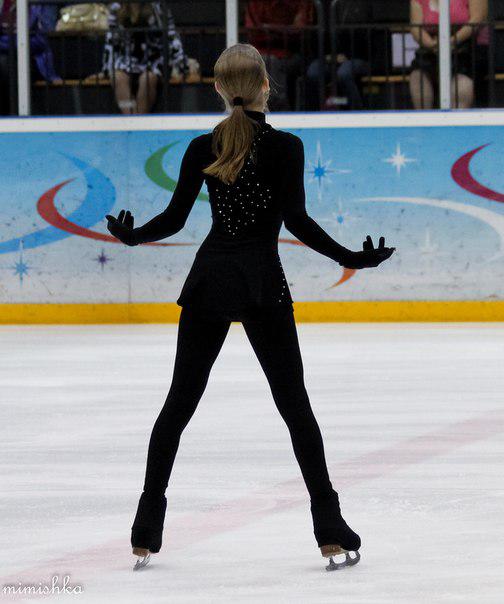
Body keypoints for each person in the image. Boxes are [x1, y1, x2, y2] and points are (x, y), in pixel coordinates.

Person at [106, 43, 395, 571]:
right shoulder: (286, 147)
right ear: (266, 84)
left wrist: (132, 236)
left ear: (218, 88)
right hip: (262, 281)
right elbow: (298, 222)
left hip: (210, 280)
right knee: (295, 408)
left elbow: (173, 220)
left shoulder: (204, 145)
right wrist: (351, 258)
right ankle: (329, 527)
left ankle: (145, 528)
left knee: (178, 405)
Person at [101, 1, 188, 114]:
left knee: (147, 79)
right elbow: (110, 42)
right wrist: (106, 69)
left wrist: (181, 64)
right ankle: (131, 118)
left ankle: (139, 120)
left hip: (154, 60)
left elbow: (172, 38)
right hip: (126, 60)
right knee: (118, 77)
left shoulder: (159, 8)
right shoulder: (116, 8)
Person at [409, 0, 488, 109]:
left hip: (465, 51)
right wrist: (432, 44)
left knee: (462, 88)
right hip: (430, 51)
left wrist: (450, 41)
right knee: (417, 78)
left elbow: (477, 19)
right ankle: (424, 118)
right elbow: (415, 27)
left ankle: (457, 119)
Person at [244, 0, 313, 111]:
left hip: (293, 54)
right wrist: (283, 31)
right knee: (261, 61)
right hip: (261, 54)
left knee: (271, 61)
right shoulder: (256, 3)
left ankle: (277, 107)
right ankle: (258, 106)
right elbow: (254, 32)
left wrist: (269, 30)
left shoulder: (301, 3)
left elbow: (299, 30)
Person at [305, 0, 371, 111]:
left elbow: (364, 38)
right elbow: (316, 37)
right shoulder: (324, 6)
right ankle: (315, 113)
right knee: (313, 71)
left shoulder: (359, 6)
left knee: (344, 73)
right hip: (329, 58)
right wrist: (329, 57)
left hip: (357, 57)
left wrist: (346, 56)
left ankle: (357, 111)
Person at [0, 0, 62, 114]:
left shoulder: (40, 5)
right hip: (5, 54)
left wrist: (7, 43)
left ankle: (9, 117)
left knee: (4, 65)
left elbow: (42, 40)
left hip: (33, 58)